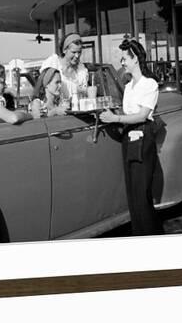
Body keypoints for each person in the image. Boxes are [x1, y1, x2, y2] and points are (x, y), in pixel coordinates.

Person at [100, 38, 164, 236]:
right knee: (133, 193)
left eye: (124, 59)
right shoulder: (129, 87)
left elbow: (142, 115)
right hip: (129, 138)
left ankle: (150, 236)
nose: (122, 63)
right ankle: (140, 234)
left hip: (143, 137)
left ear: (135, 59)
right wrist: (111, 112)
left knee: (141, 193)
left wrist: (114, 117)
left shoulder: (149, 84)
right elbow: (128, 113)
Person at [40, 32, 88, 99]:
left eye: (79, 52)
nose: (77, 56)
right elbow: (42, 87)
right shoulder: (53, 63)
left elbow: (84, 93)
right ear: (64, 50)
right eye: (73, 52)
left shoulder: (81, 70)